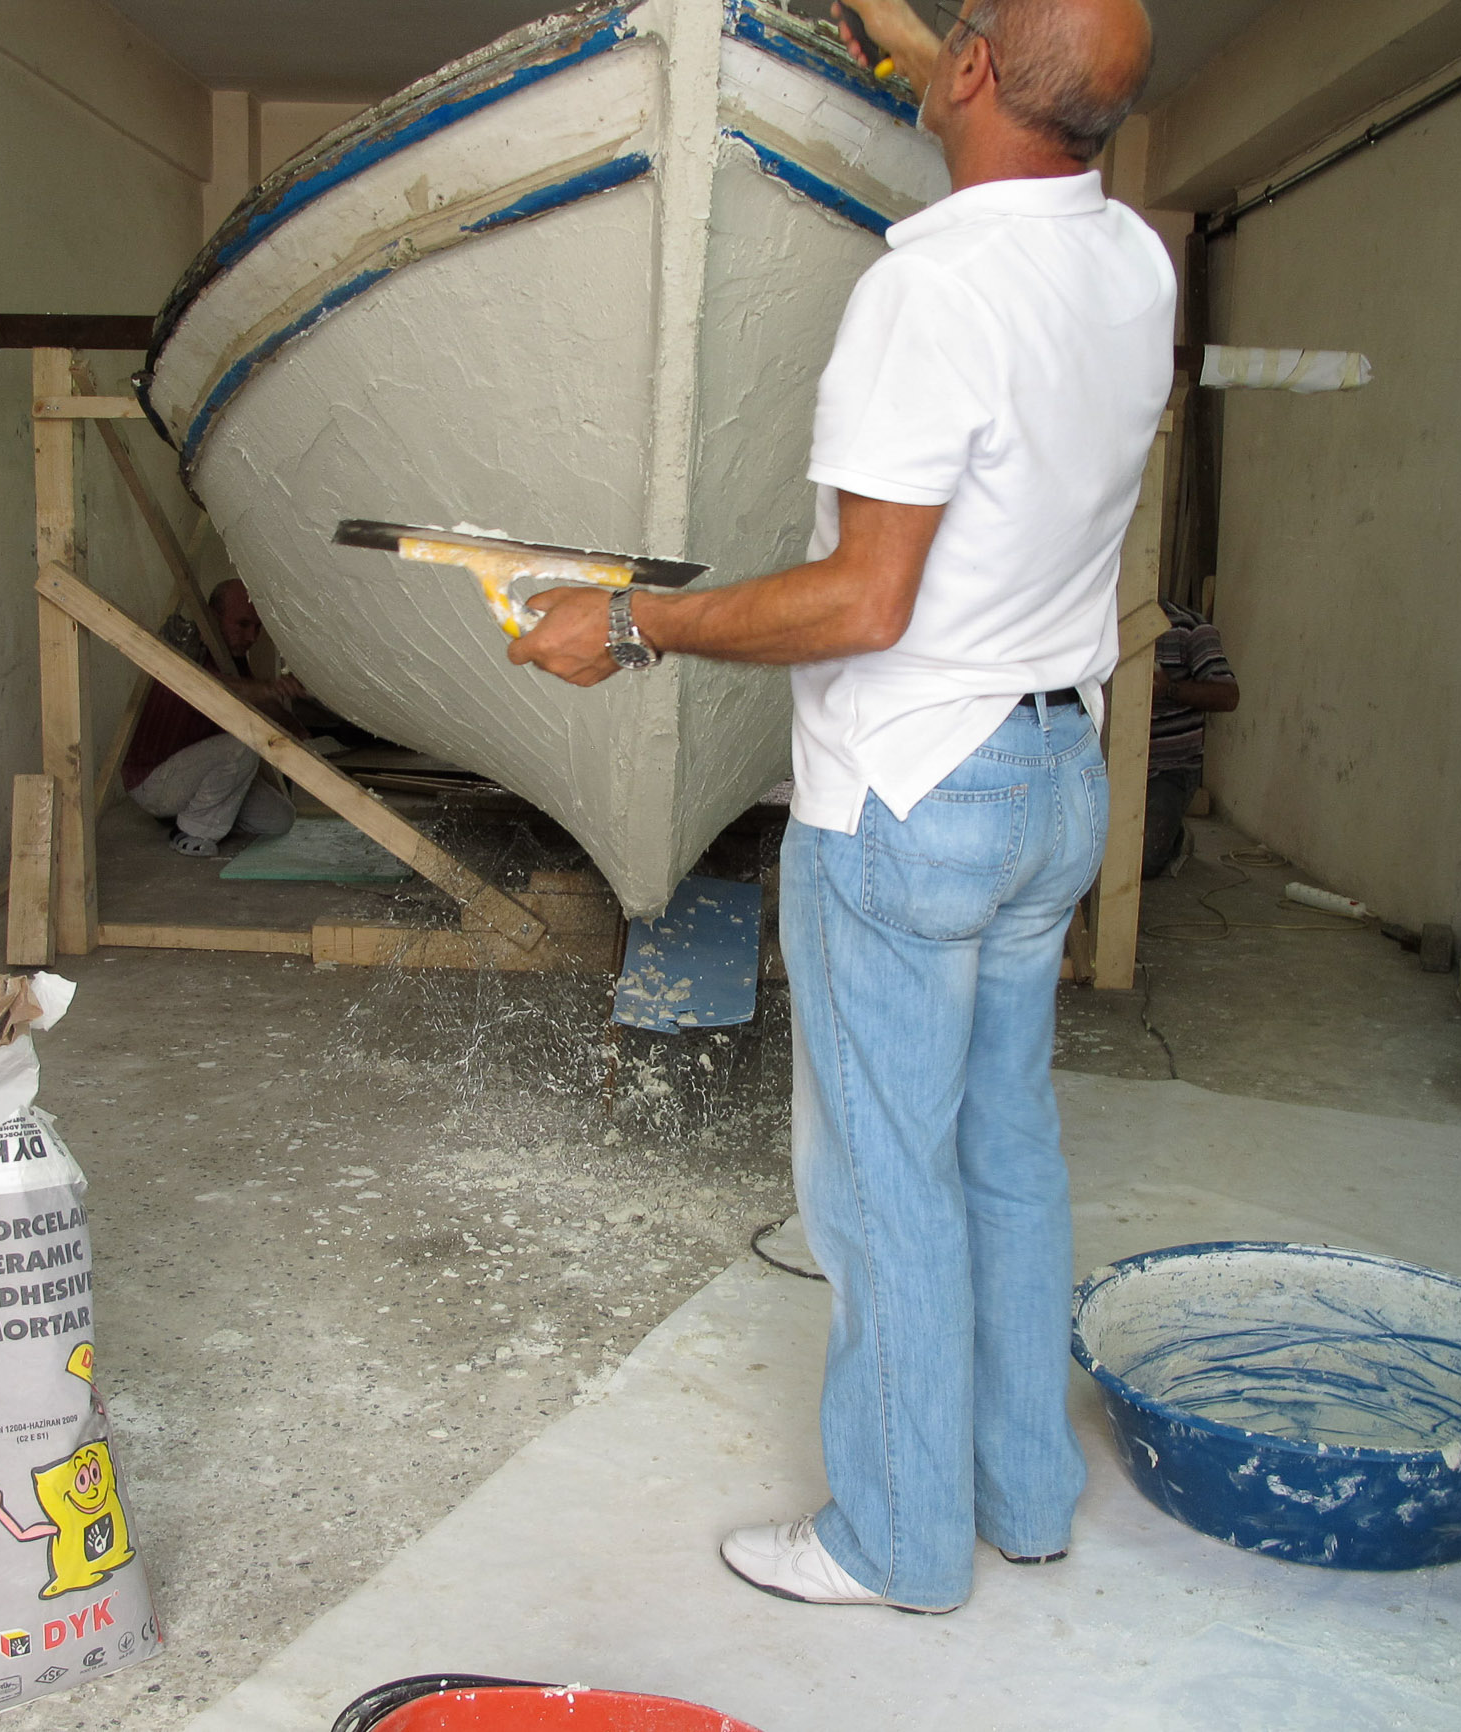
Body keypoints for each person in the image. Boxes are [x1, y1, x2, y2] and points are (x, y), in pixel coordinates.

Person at [509, 0, 1169, 1613]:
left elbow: (864, 602)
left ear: (974, 71)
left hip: (910, 796)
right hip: (1051, 780)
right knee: (1005, 1154)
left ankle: (896, 1543)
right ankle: (1021, 1496)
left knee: (882, 1187)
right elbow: (1005, 84)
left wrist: (631, 624)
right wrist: (906, 28)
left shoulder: (924, 291)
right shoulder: (1131, 263)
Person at [122, 578, 304, 858]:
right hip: (154, 782)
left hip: (195, 775)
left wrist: (295, 724)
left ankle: (194, 811)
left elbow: (260, 704)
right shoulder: (188, 648)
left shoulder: (232, 660)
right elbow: (211, 688)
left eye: (257, 628)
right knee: (243, 746)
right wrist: (269, 688)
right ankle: (191, 832)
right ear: (212, 617)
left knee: (280, 819)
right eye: (242, 625)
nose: (251, 637)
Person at [1144, 599, 1238, 877]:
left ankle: (1176, 838)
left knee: (1143, 861)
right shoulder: (1095, 618)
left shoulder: (1190, 628)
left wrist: (1169, 688)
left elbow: (1228, 696)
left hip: (1169, 769)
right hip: (1106, 764)